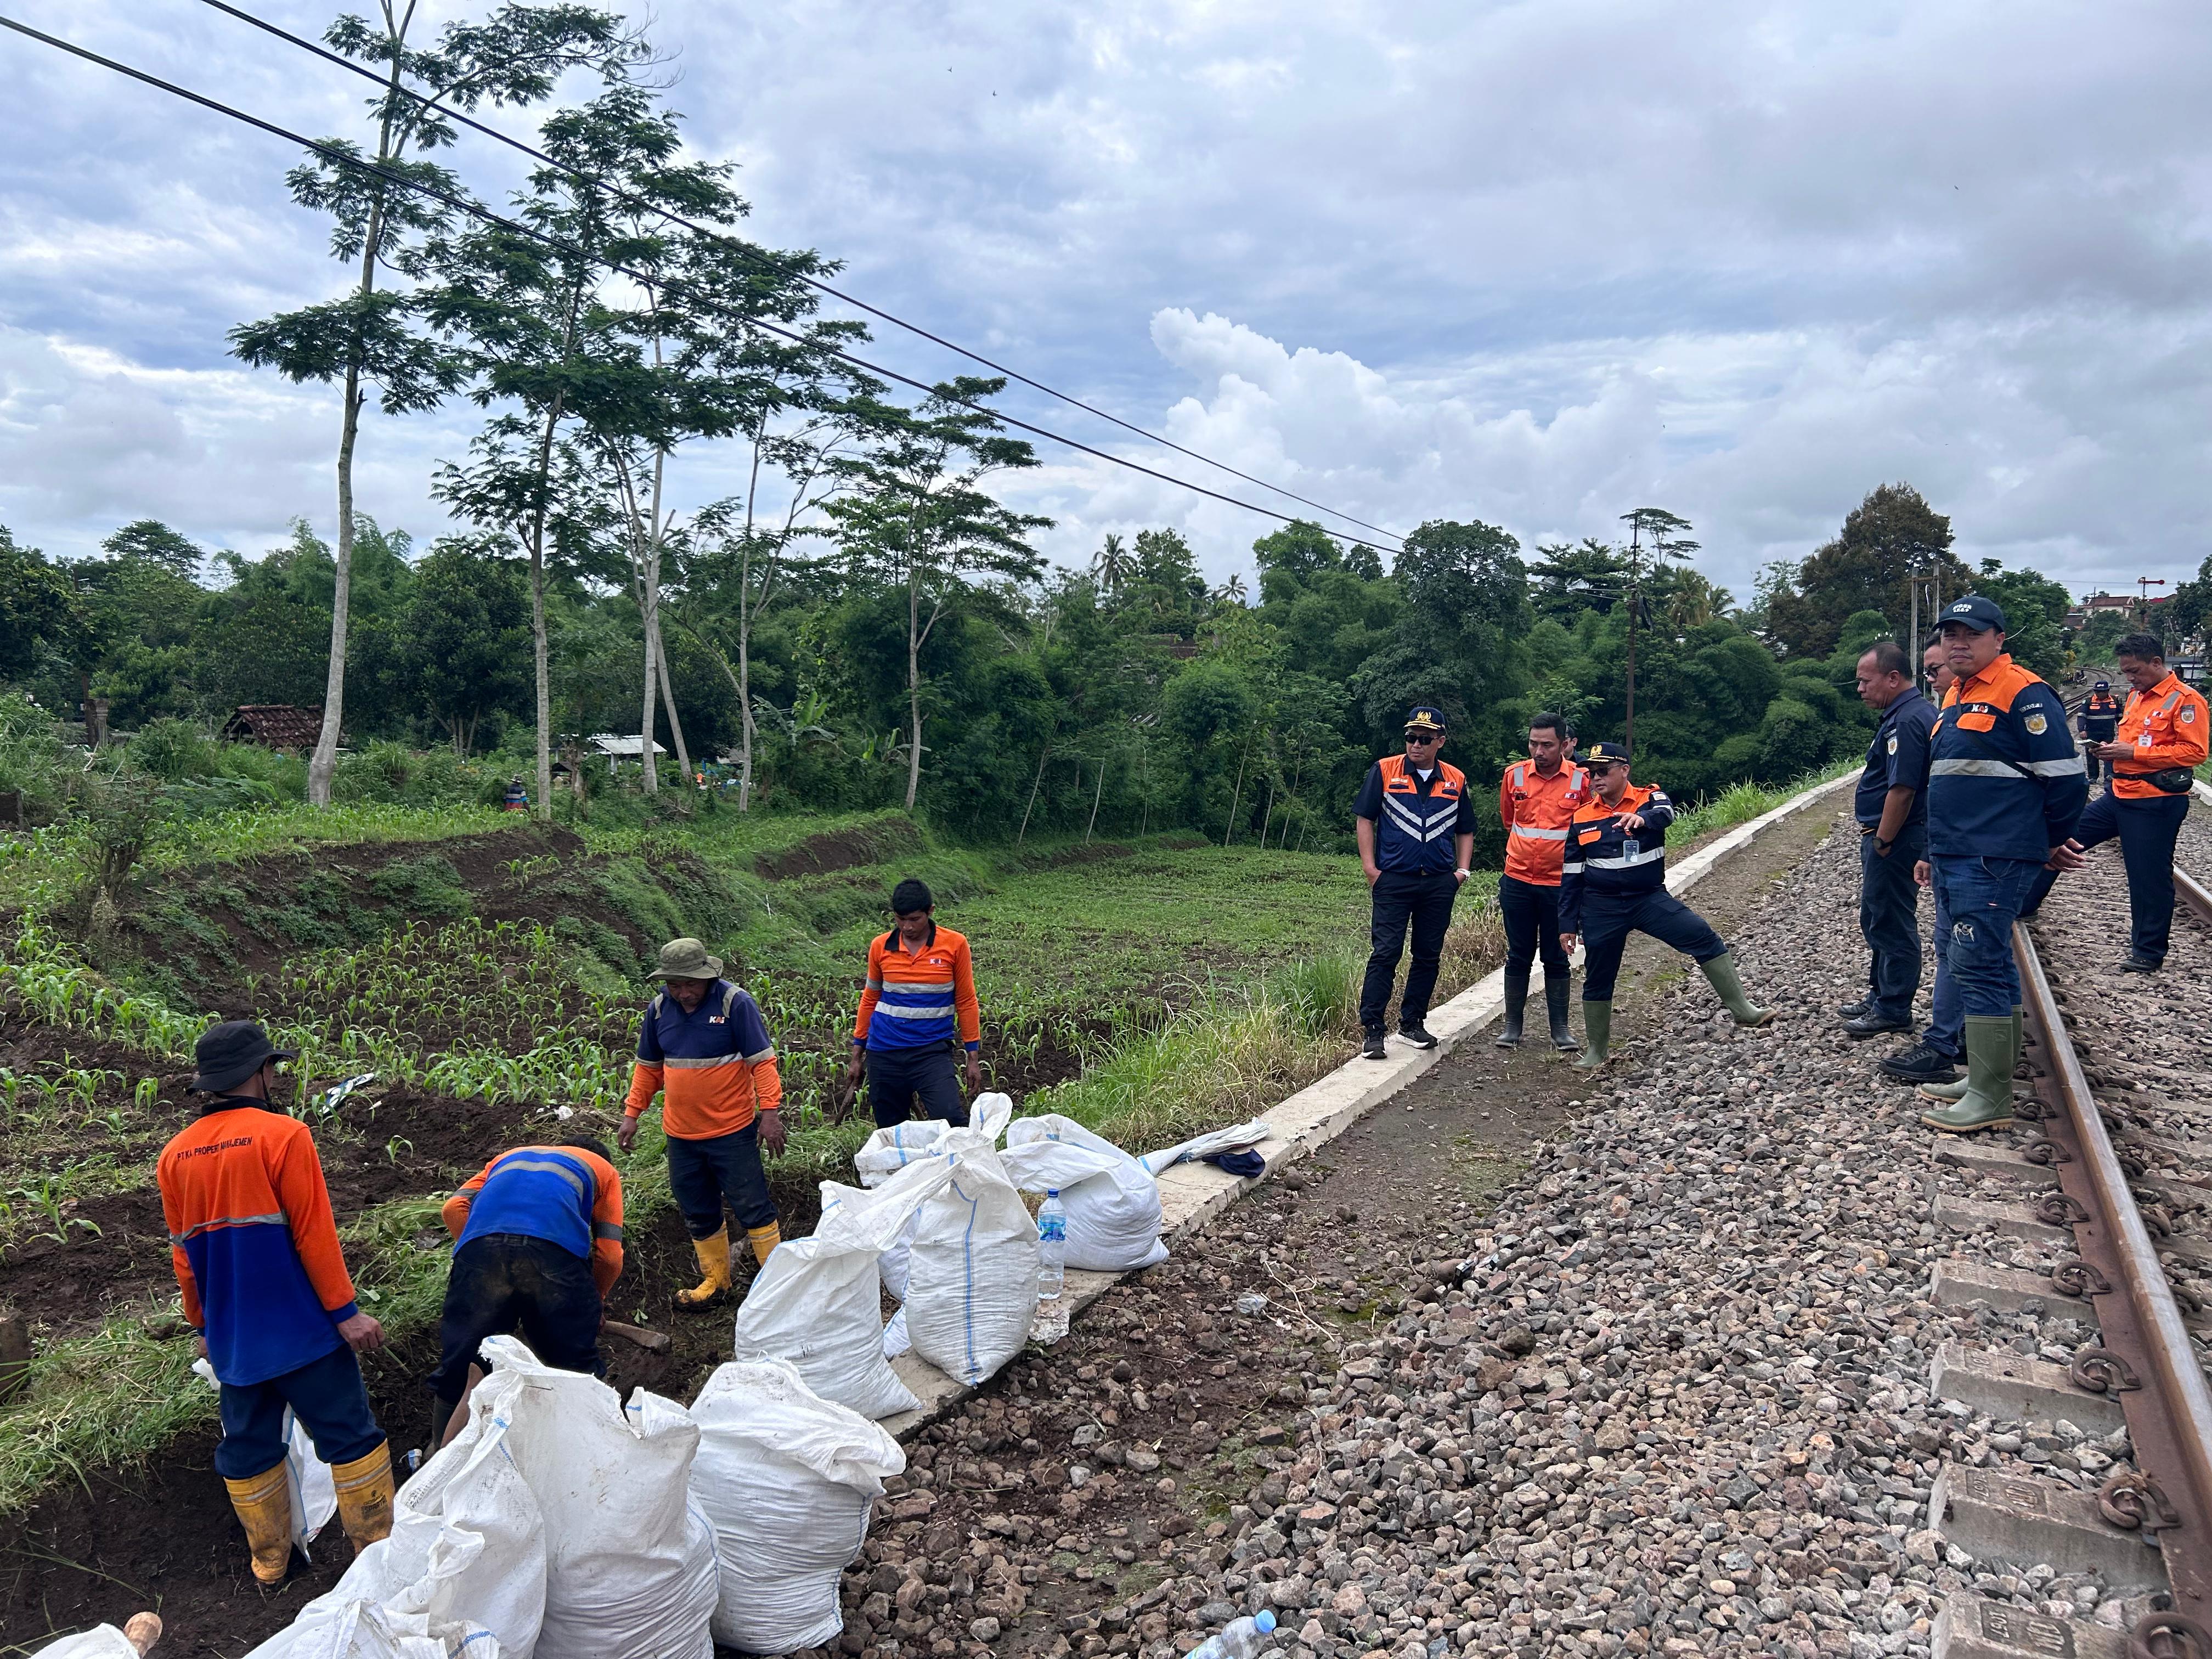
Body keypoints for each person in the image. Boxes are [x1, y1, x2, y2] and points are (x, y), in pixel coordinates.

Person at [157, 1022, 393, 1587]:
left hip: (235, 1340)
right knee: (350, 1437)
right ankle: (378, 1555)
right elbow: (314, 1234)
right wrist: (346, 1312)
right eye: (273, 1069)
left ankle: (270, 1563)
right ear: (260, 1074)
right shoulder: (283, 1136)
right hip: (303, 1331)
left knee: (249, 1446)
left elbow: (183, 1257)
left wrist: (203, 1326)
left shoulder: (174, 1157)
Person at [1912, 596, 2087, 1134]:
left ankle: (1991, 1097)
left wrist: (2044, 842)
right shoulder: (1958, 693)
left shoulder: (2024, 694)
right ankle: (1989, 1078)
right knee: (1989, 961)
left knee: (1978, 963)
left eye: (1972, 633)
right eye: (1951, 634)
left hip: (1992, 856)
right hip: (1959, 852)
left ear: (1998, 639)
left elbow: (2067, 781)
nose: (1958, 642)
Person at [1556, 743, 1772, 1069]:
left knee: (1702, 937)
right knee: (1599, 975)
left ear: (1624, 770)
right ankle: (1596, 1050)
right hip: (1601, 907)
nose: (1595, 778)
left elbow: (1666, 814)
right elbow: (1572, 874)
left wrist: (1641, 819)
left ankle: (1744, 1010)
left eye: (1603, 771)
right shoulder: (1583, 817)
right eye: (1591, 773)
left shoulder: (1650, 797)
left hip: (1648, 898)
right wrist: (1567, 924)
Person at [2019, 633, 2208, 971]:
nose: (2131, 678)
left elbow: (2195, 752)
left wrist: (2132, 752)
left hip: (2155, 801)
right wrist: (2110, 750)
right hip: (2119, 794)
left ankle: (2148, 952)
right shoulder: (2137, 696)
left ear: (2156, 662)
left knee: (2147, 876)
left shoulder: (2186, 700)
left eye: (2135, 671)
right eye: (2126, 672)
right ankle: (2024, 905)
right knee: (2058, 841)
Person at [620, 937, 785, 1306]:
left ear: (707, 977)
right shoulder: (660, 1010)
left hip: (732, 1131)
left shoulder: (734, 1003)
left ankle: (780, 1286)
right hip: (681, 1136)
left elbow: (762, 1061)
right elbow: (649, 1069)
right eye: (675, 985)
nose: (684, 993)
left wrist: (769, 1113)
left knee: (752, 1204)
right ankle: (717, 1282)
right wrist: (632, 1115)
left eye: (691, 984)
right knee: (697, 1206)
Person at [430, 1136, 625, 1446]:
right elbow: (610, 1256)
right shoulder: (604, 1171)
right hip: (552, 1256)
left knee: (465, 1359)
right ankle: (591, 1448)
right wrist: (594, 1303)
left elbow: (453, 1208)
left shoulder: (509, 1156)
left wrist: (481, 1254)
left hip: (481, 1251)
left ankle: (438, 1452)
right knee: (573, 1362)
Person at [1353, 706, 1476, 1059]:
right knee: (1386, 952)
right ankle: (1373, 1030)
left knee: (1427, 954)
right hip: (1393, 879)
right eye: (1411, 737)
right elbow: (1365, 819)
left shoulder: (1455, 779)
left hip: (1438, 882)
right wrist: (1371, 870)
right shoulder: (1384, 770)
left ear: (1440, 742)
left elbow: (1465, 829)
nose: (1416, 745)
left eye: (1424, 739)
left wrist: (1462, 872)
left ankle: (1412, 1023)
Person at [1878, 644, 1965, 1086]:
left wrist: (1885, 840)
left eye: (1937, 670)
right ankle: (1952, 1037)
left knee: (1964, 951)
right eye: (1929, 670)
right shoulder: (1947, 711)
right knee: (1949, 947)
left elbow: (1908, 788)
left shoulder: (1917, 717)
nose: (1933, 677)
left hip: (1968, 847)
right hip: (1947, 844)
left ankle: (1930, 1030)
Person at [1841, 642, 1936, 1037]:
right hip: (1896, 837)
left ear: (1893, 678)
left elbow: (1903, 790)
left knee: (1891, 921)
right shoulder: (1908, 714)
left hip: (1897, 839)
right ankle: (1880, 994)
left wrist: (1882, 841)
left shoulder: (1907, 721)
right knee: (1877, 916)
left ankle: (1894, 1007)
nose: (1860, 689)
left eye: (1866, 681)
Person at [844, 877, 984, 1127]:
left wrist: (972, 1058)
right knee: (891, 1128)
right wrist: (857, 1055)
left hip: (931, 1051)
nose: (907, 927)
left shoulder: (955, 945)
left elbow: (965, 1000)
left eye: (914, 920)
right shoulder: (880, 946)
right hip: (884, 1051)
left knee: (952, 1119)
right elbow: (870, 999)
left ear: (930, 912)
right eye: (900, 919)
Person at [1493, 712, 1590, 1051]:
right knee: (1518, 953)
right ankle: (1512, 1027)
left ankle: (1560, 1030)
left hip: (1560, 885)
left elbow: (1591, 829)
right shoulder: (1514, 775)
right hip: (1518, 879)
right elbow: (1510, 820)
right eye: (1533, 744)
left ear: (1564, 744)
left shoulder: (1582, 780)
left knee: (1556, 955)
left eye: (1547, 745)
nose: (1539, 751)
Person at [2079, 680, 2123, 783]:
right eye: (2098, 692)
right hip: (2092, 733)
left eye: (2102, 691)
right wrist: (2082, 730)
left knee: (2108, 753)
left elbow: (2120, 716)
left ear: (2107, 691)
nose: (2100, 694)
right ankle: (2093, 777)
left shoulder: (2114, 701)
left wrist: (2122, 729)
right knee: (2092, 755)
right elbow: (2081, 716)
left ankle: (2109, 775)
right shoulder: (2088, 701)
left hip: (2108, 732)